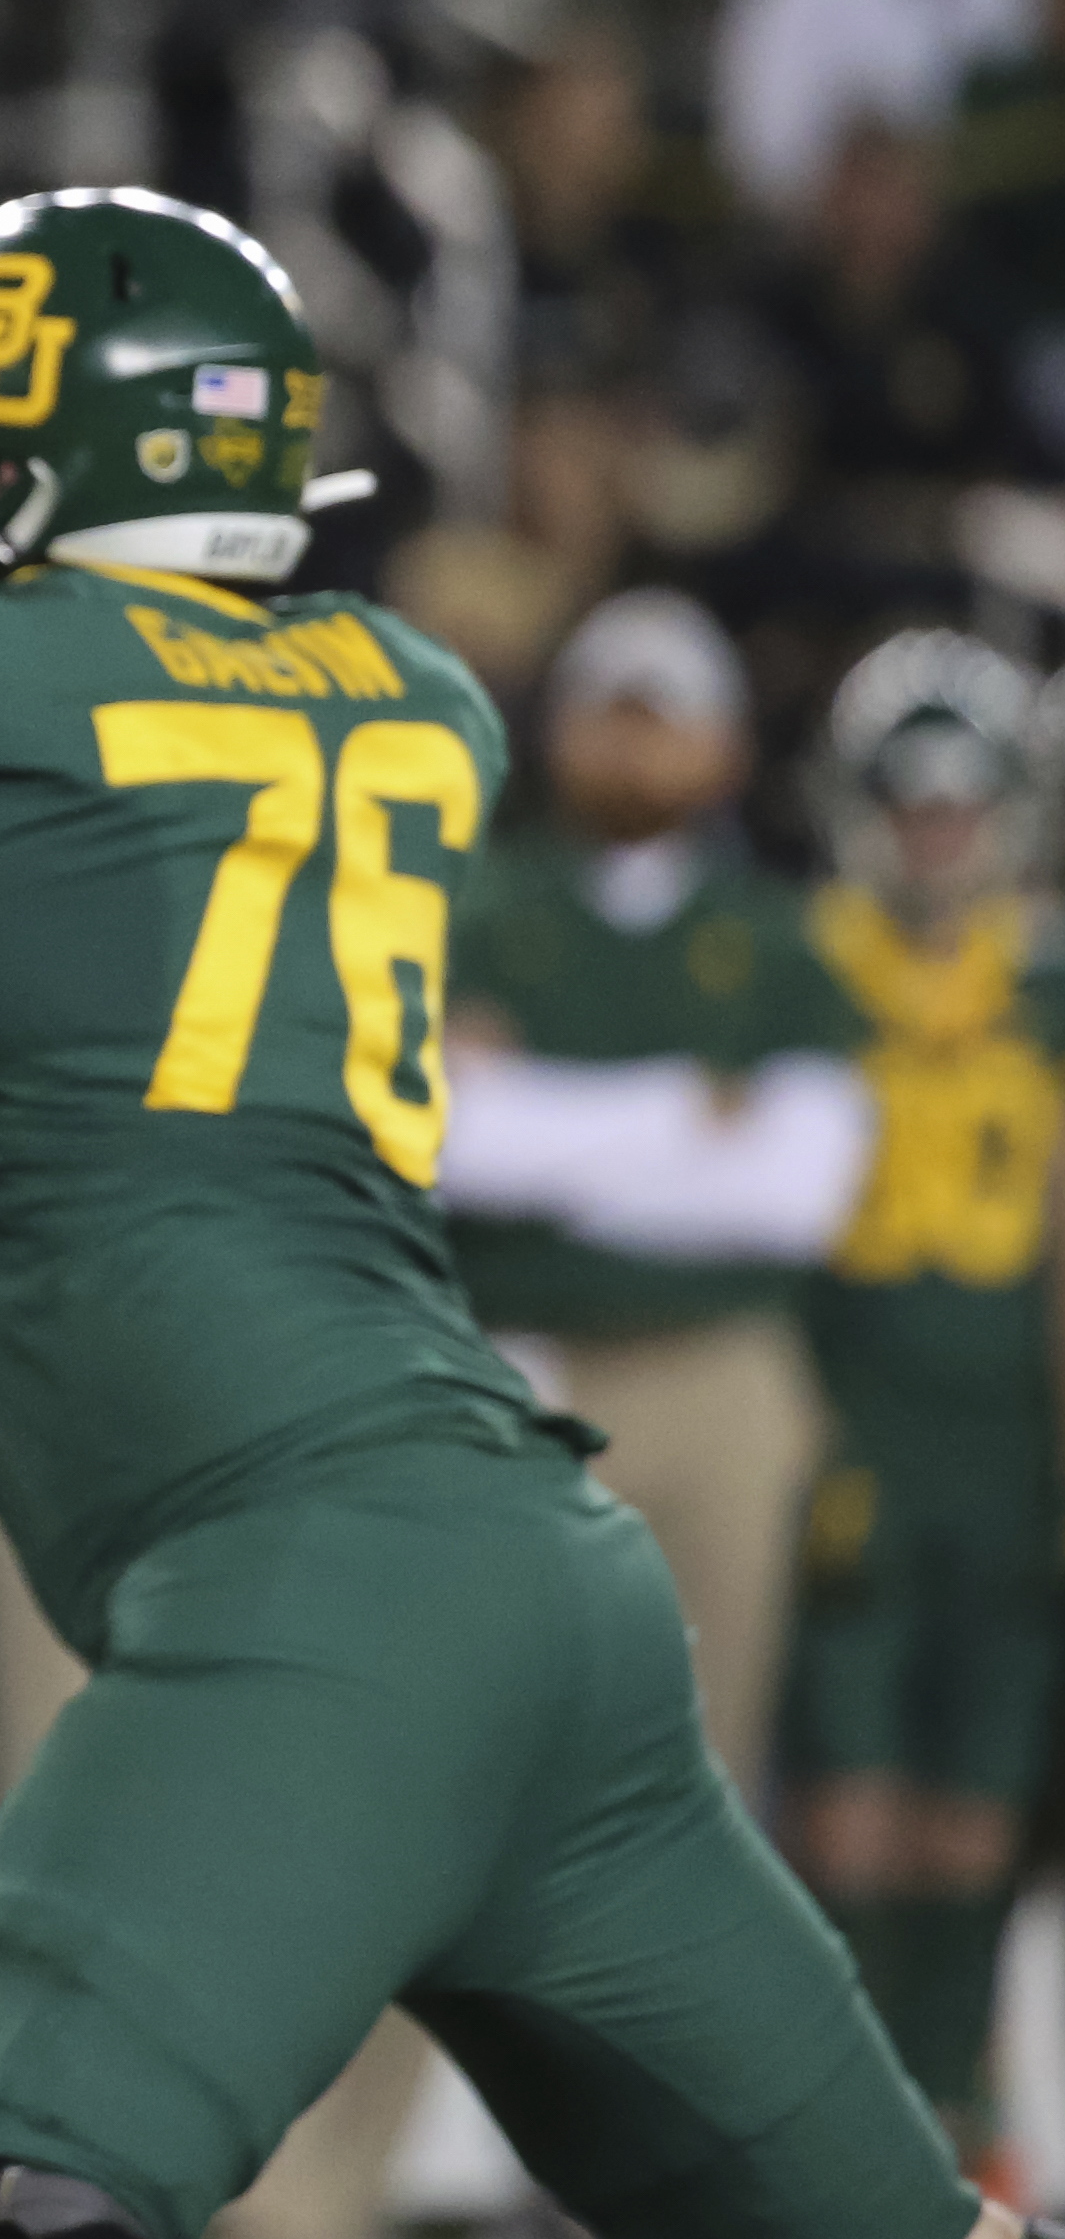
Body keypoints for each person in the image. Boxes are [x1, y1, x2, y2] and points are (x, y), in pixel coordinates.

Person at [0, 187, 1030, 2239]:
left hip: (305, 1578)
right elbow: (80, 916)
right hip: (548, 1579)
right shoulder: (405, 692)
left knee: (6, 2193)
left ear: (18, 437)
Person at [436, 587, 872, 1795]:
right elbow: (442, 1146)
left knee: (697, 1759)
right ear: (554, 732)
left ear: (725, 746)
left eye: (662, 718)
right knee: (473, 1746)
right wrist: (688, 1113)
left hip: (719, 1365)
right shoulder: (475, 909)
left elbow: (796, 1193)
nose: (633, 746)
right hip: (508, 1366)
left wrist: (545, 1132)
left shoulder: (779, 936)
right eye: (607, 716)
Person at [782, 630, 1065, 2161]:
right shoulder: (802, 960)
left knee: (973, 1815)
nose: (938, 830)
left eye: (965, 802)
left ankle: (962, 2120)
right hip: (855, 1425)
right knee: (842, 1813)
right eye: (913, 802)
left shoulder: (1049, 979)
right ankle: (838, 2136)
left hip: (1007, 1442)